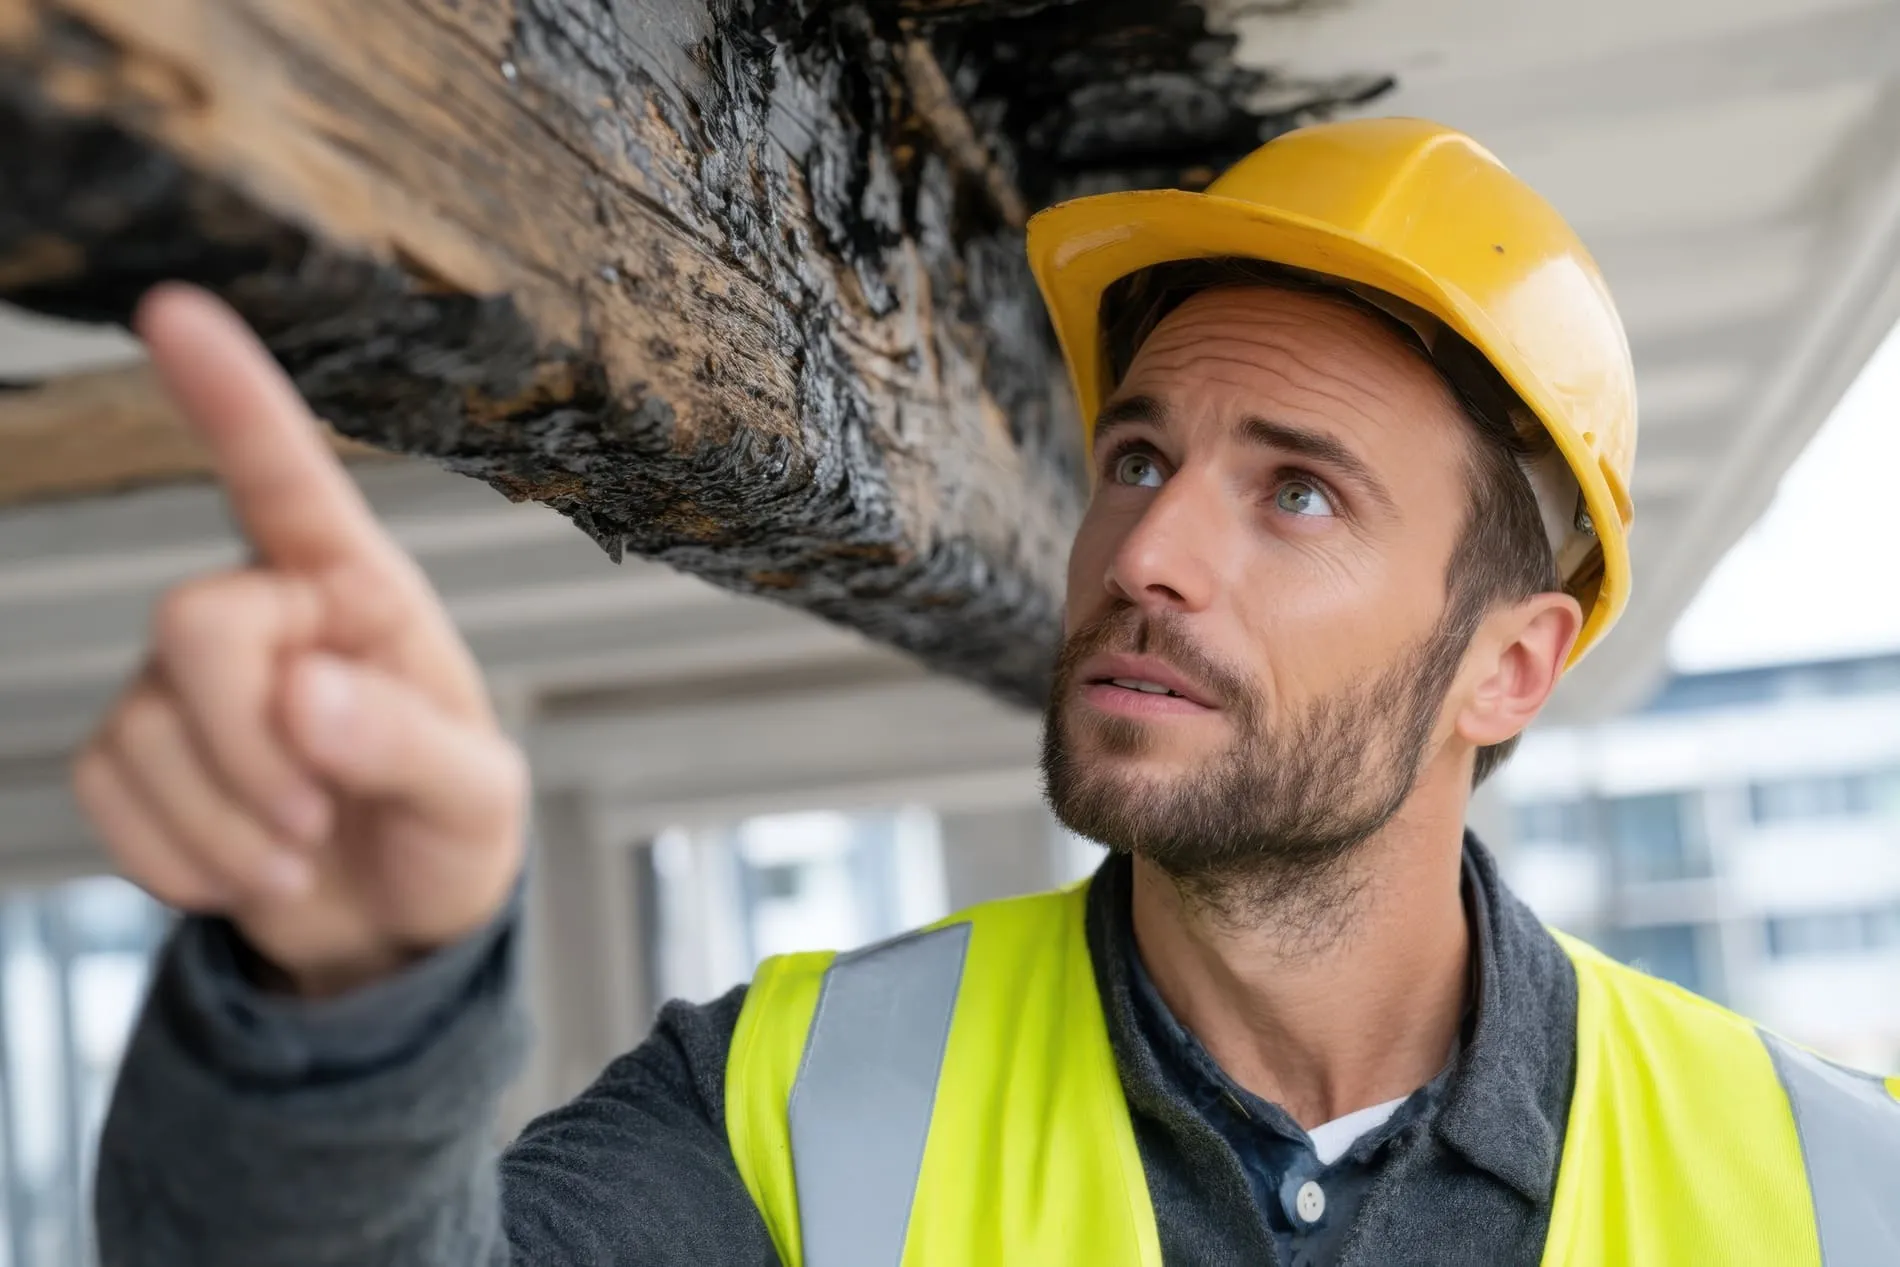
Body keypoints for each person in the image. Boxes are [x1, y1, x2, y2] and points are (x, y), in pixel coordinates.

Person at [75, 118, 1898, 1267]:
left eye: (1300, 491)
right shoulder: (779, 1109)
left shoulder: (1845, 1192)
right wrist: (350, 1010)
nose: (1148, 549)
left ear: (1510, 664)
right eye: (1137, 456)